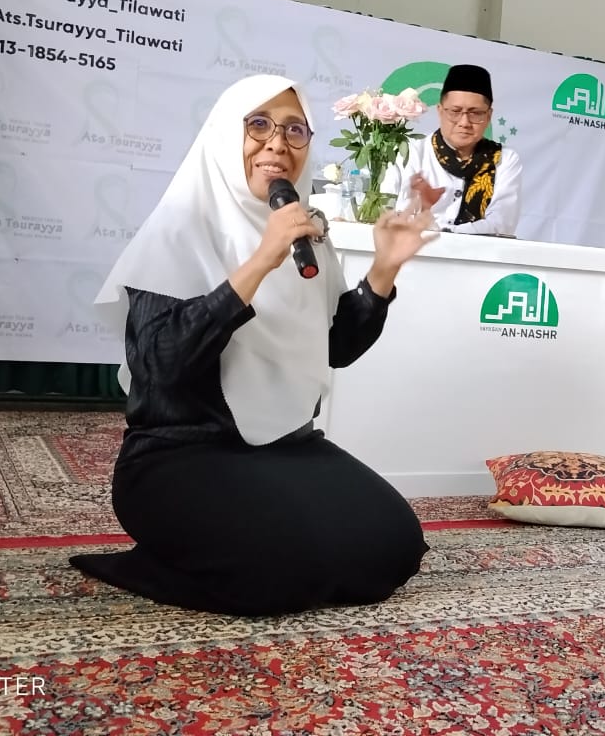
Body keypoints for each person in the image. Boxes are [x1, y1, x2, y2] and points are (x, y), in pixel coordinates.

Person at [69, 74, 435, 618]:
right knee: (279, 572)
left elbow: (336, 348)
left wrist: (384, 270)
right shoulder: (178, 230)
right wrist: (261, 261)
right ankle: (146, 566)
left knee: (394, 545)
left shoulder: (306, 234)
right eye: (258, 125)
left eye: (294, 130)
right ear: (225, 134)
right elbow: (161, 367)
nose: (277, 144)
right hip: (178, 456)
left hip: (286, 446)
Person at [381, 64, 523, 236]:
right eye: (455, 112)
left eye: (475, 113)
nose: (464, 122)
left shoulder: (504, 159)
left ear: (488, 116)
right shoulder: (410, 152)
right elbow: (391, 214)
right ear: (440, 111)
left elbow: (502, 223)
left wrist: (444, 232)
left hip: (477, 251)